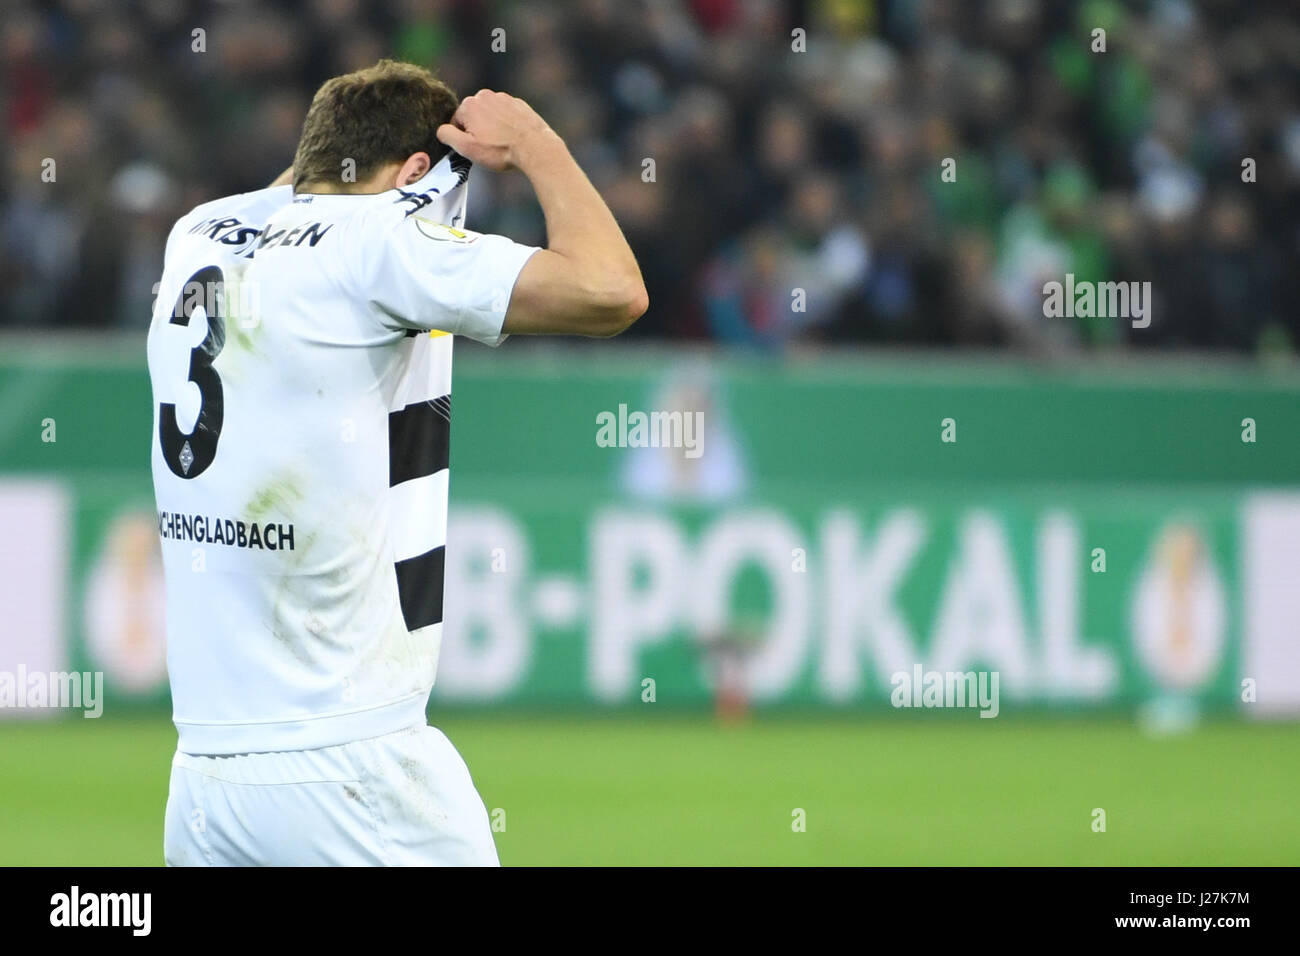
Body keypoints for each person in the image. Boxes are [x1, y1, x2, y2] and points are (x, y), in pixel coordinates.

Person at [147, 60, 646, 865]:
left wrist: (365, 142)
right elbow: (612, 290)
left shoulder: (199, 230)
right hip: (354, 765)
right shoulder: (384, 246)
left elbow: (306, 196)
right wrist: (536, 144)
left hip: (204, 780)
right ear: (417, 173)